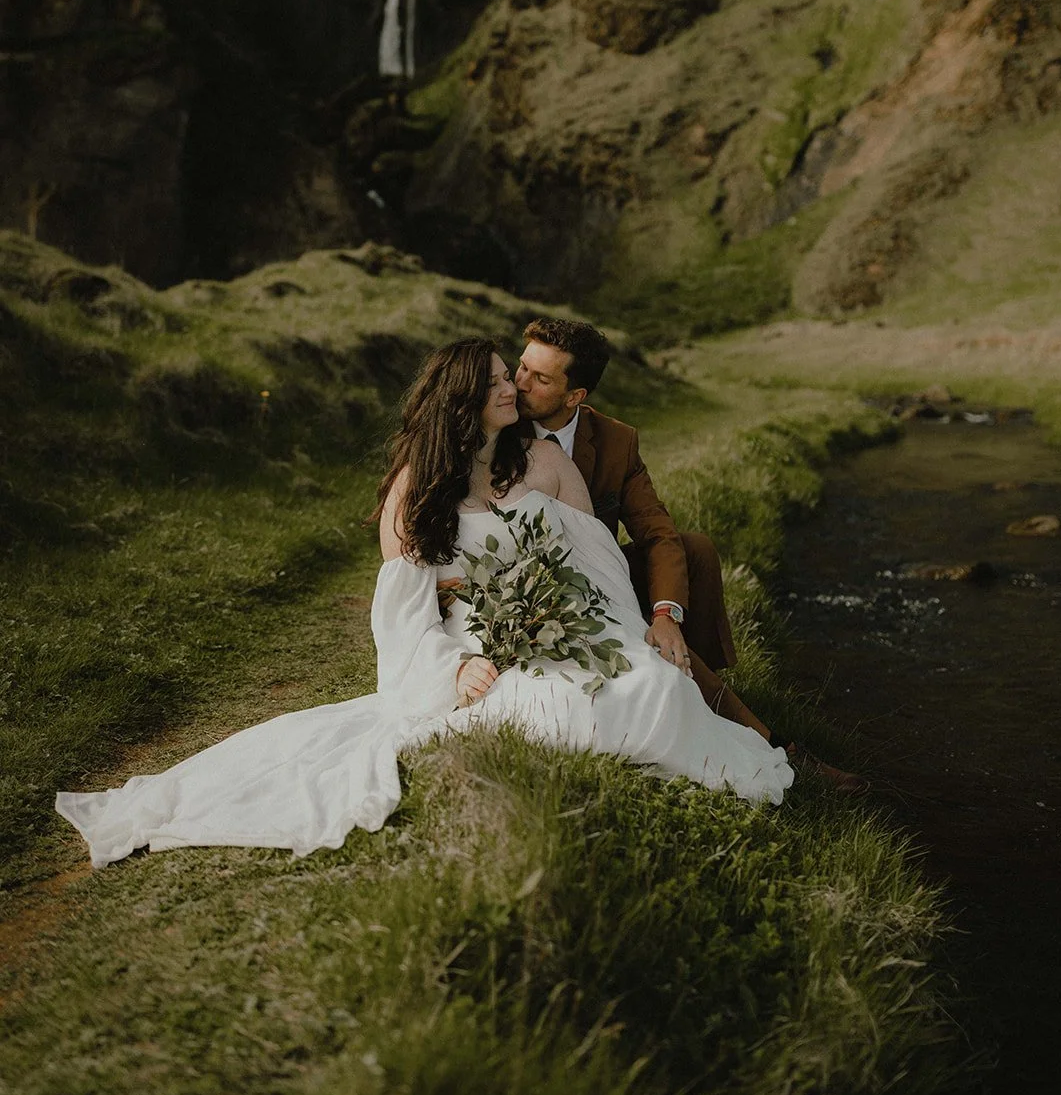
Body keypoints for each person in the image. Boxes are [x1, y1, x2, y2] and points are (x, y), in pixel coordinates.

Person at [55, 339, 792, 868]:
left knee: (646, 685)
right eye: (499, 380)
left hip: (565, 619)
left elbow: (594, 559)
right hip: (477, 637)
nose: (513, 389)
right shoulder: (418, 485)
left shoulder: (543, 460)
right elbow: (404, 609)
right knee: (547, 711)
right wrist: (453, 666)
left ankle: (710, 721)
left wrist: (611, 628)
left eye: (516, 377)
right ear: (462, 400)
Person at [515, 317, 866, 791]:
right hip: (534, 588)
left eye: (540, 378)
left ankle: (693, 678)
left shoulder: (615, 439)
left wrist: (665, 614)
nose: (520, 383)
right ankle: (776, 747)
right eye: (522, 367)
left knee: (693, 548)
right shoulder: (500, 424)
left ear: (575, 395)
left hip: (602, 577)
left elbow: (657, 531)